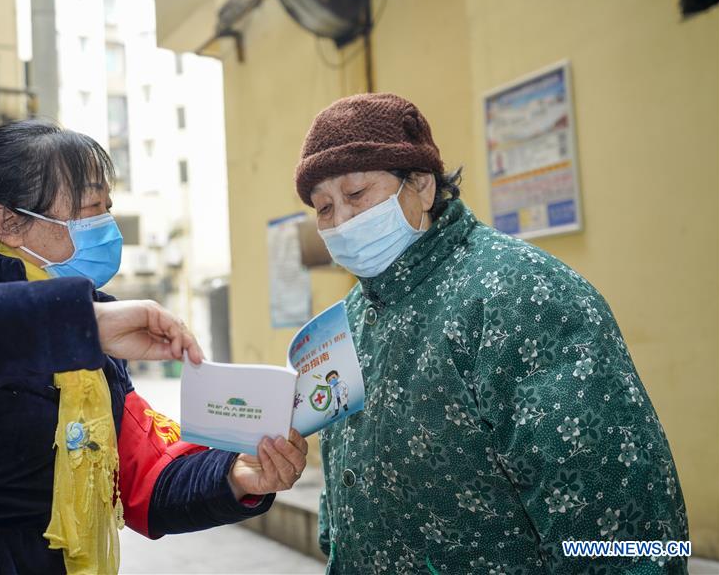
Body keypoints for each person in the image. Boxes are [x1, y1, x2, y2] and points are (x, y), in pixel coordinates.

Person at [0, 120, 308, 574]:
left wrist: (237, 475)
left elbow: (141, 474)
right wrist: (79, 323)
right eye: (91, 208)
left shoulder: (90, 321)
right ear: (9, 222)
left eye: (108, 207)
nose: (108, 225)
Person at [295, 93, 688, 574]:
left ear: (421, 185)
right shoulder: (353, 318)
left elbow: (626, 527)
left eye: (356, 194)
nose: (342, 222)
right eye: (324, 208)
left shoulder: (520, 294)